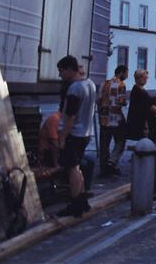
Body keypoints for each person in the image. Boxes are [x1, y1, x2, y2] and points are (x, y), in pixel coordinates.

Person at [56, 55, 96, 217]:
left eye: (61, 71)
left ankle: (75, 204)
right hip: (86, 132)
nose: (60, 75)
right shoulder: (90, 84)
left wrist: (62, 137)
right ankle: (82, 200)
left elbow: (70, 116)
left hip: (74, 133)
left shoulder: (74, 89)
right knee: (77, 166)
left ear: (69, 69)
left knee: (72, 168)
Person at [98, 65, 128, 176]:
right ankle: (112, 161)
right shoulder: (121, 85)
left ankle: (104, 168)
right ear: (121, 73)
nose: (126, 76)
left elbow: (99, 100)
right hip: (116, 118)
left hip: (104, 118)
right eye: (126, 73)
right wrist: (124, 102)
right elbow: (121, 101)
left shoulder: (104, 84)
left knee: (104, 145)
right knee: (121, 140)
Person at [126, 70, 156, 142]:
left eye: (146, 78)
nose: (146, 79)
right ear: (139, 78)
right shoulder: (140, 91)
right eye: (145, 78)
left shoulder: (136, 89)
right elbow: (150, 106)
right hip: (138, 122)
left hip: (136, 121)